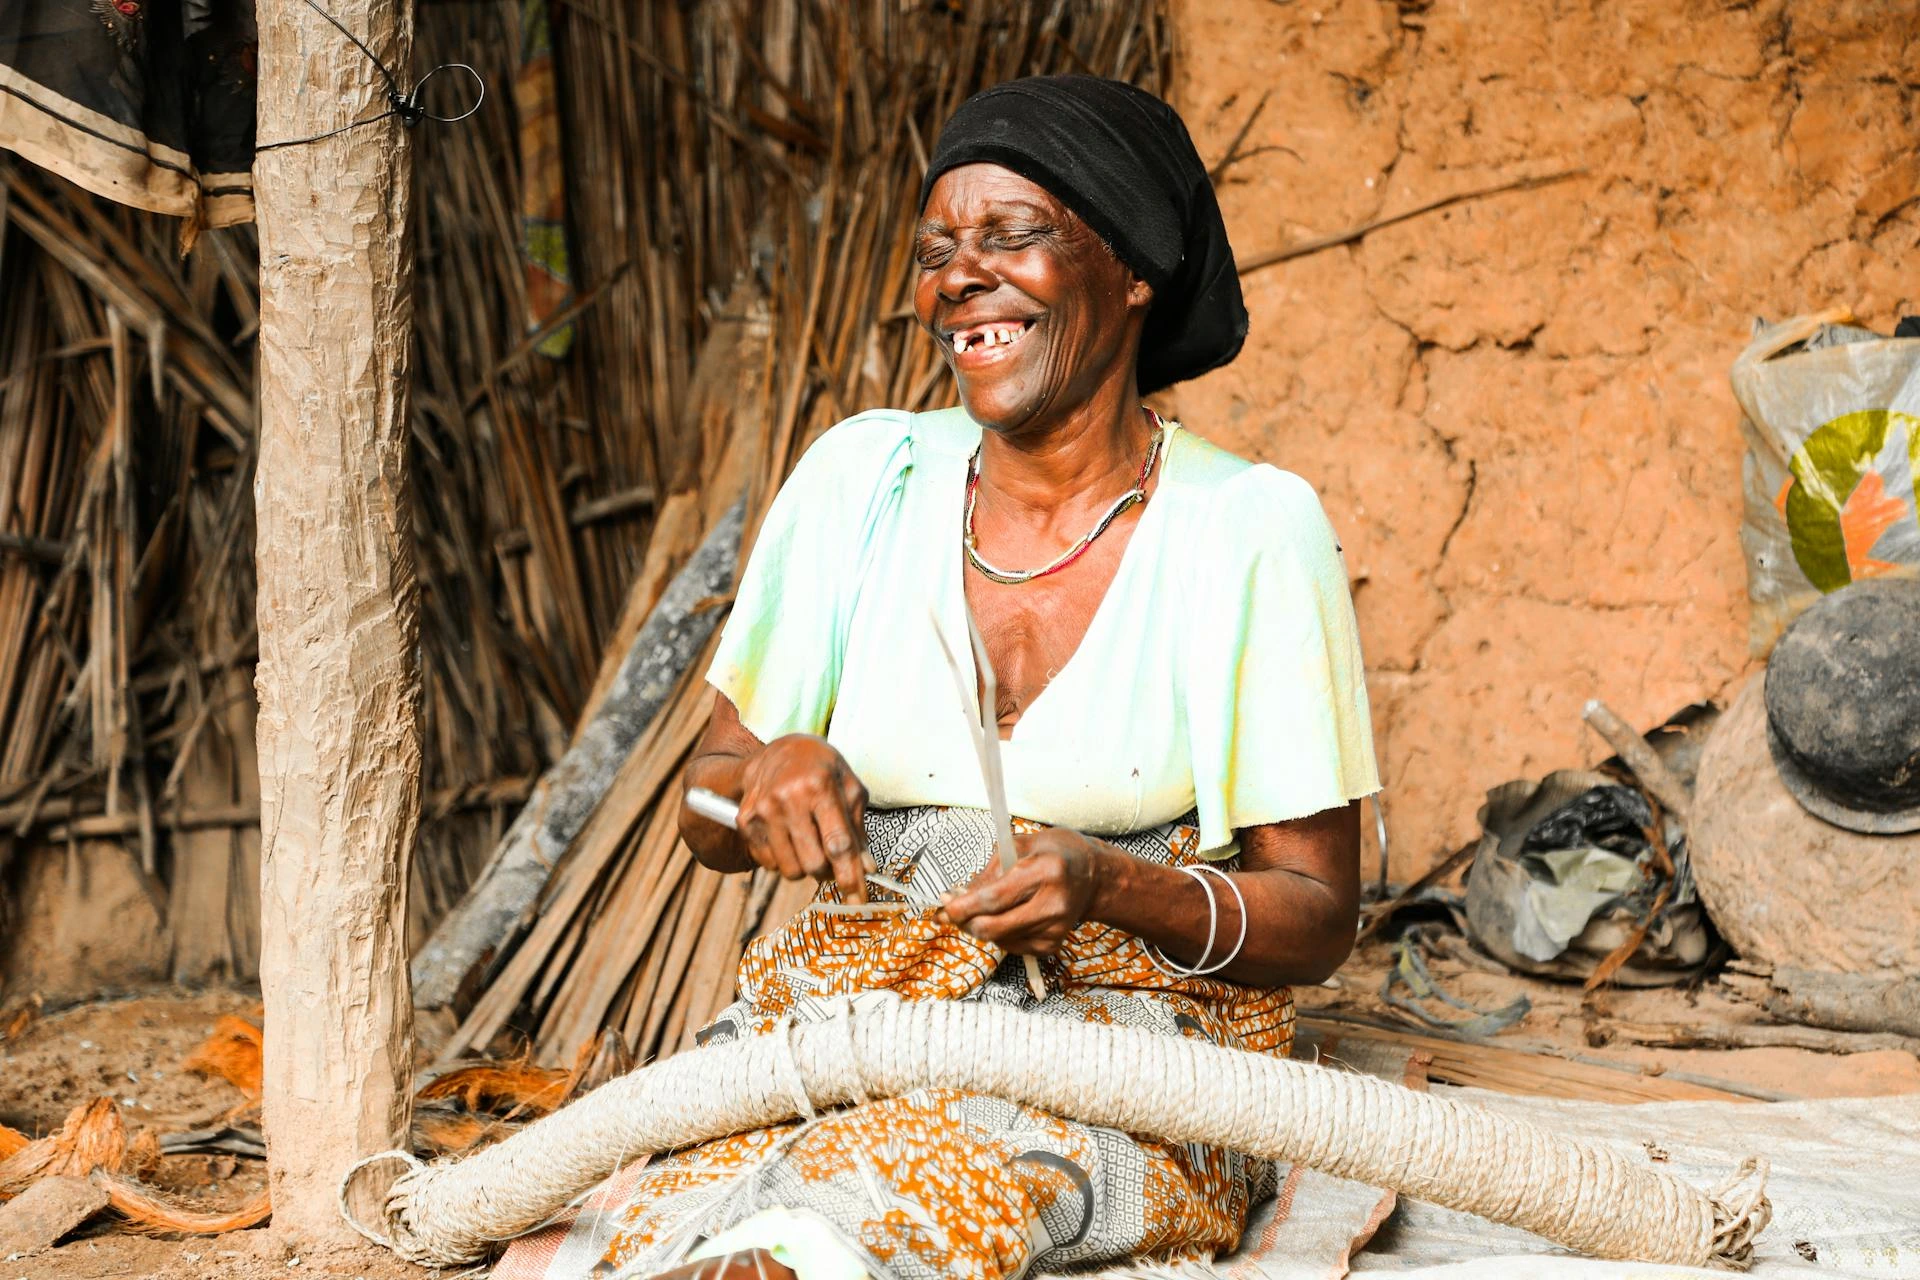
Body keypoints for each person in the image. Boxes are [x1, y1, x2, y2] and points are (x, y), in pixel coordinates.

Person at [609, 74, 1378, 1280]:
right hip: (856, 1017)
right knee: (683, 1200)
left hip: (1122, 1047)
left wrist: (1113, 883)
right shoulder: (863, 480)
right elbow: (703, 806)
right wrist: (761, 780)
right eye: (936, 250)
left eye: (1013, 235)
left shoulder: (1248, 529)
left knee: (877, 1201)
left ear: (1133, 269)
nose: (958, 278)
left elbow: (1318, 915)